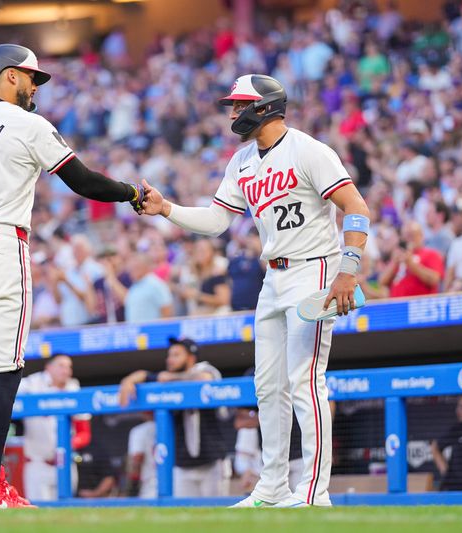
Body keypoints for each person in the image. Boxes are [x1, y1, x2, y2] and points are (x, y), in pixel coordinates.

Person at [0, 43, 144, 509]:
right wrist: (132, 192)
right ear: (10, 76)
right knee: (6, 367)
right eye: (32, 78)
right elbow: (84, 183)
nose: (36, 86)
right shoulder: (29, 124)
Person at [138, 74, 369, 507]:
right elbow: (216, 220)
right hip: (273, 276)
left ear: (264, 106)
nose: (231, 112)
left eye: (238, 103)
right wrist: (167, 208)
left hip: (315, 268)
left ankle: (314, 492)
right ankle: (272, 486)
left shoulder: (309, 150)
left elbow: (356, 207)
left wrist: (348, 270)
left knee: (305, 381)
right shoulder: (241, 160)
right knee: (267, 387)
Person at [118, 337, 228, 498]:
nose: (170, 360)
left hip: (212, 461)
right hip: (182, 464)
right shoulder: (168, 378)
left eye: (176, 355)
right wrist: (127, 381)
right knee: (185, 514)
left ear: (190, 357)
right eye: (169, 355)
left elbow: (203, 378)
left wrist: (171, 378)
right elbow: (142, 374)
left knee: (218, 514)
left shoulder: (204, 369)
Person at [17, 354, 91, 501]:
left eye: (69, 367)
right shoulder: (32, 383)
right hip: (37, 463)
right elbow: (6, 392)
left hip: (65, 464)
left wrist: (68, 444)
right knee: (38, 513)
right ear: (48, 367)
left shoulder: (73, 387)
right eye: (61, 366)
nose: (66, 371)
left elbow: (84, 432)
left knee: (66, 512)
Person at [379, 220, 444, 298]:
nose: (408, 239)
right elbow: (382, 282)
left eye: (411, 235)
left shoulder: (431, 254)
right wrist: (394, 263)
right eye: (405, 236)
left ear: (421, 235)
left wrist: (411, 263)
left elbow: (434, 280)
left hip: (419, 305)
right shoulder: (398, 256)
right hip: (397, 306)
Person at [124, 412, 156, 498]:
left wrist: (132, 483)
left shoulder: (139, 430)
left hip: (150, 483)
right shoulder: (172, 426)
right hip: (175, 479)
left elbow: (137, 458)